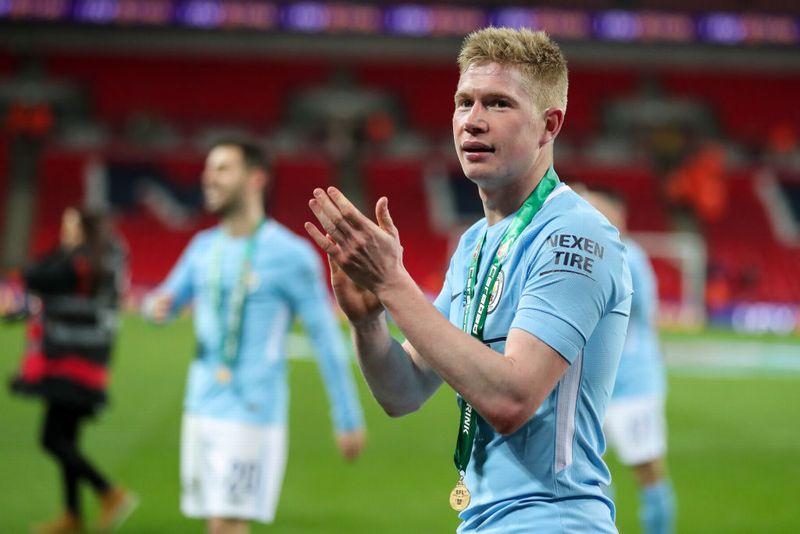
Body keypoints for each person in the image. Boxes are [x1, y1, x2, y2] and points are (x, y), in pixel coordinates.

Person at [305, 27, 632, 532]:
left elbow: (511, 399)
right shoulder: (475, 244)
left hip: (553, 519)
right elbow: (403, 391)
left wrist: (393, 284)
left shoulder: (574, 235)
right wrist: (368, 321)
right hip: (486, 519)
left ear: (548, 125)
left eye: (498, 104)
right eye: (464, 102)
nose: (473, 121)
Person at [143, 137, 366, 534]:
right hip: (200, 406)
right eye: (208, 169)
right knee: (216, 522)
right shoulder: (202, 247)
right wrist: (156, 308)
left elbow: (325, 339)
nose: (208, 178)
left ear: (255, 178)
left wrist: (346, 416)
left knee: (228, 525)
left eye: (222, 169)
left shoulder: (290, 255)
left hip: (252, 410)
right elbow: (164, 300)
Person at [9, 207, 135, 534]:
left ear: (83, 229)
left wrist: (61, 250)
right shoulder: (101, 260)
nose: (64, 231)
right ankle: (72, 515)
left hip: (70, 361)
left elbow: (34, 275)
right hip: (89, 360)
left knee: (52, 439)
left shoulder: (80, 263)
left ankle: (109, 492)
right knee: (67, 438)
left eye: (69, 225)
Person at [584, 188, 676, 534]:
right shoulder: (589, 253)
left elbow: (642, 315)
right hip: (594, 387)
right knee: (586, 473)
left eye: (599, 208)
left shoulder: (630, 258)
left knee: (647, 469)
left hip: (633, 384)